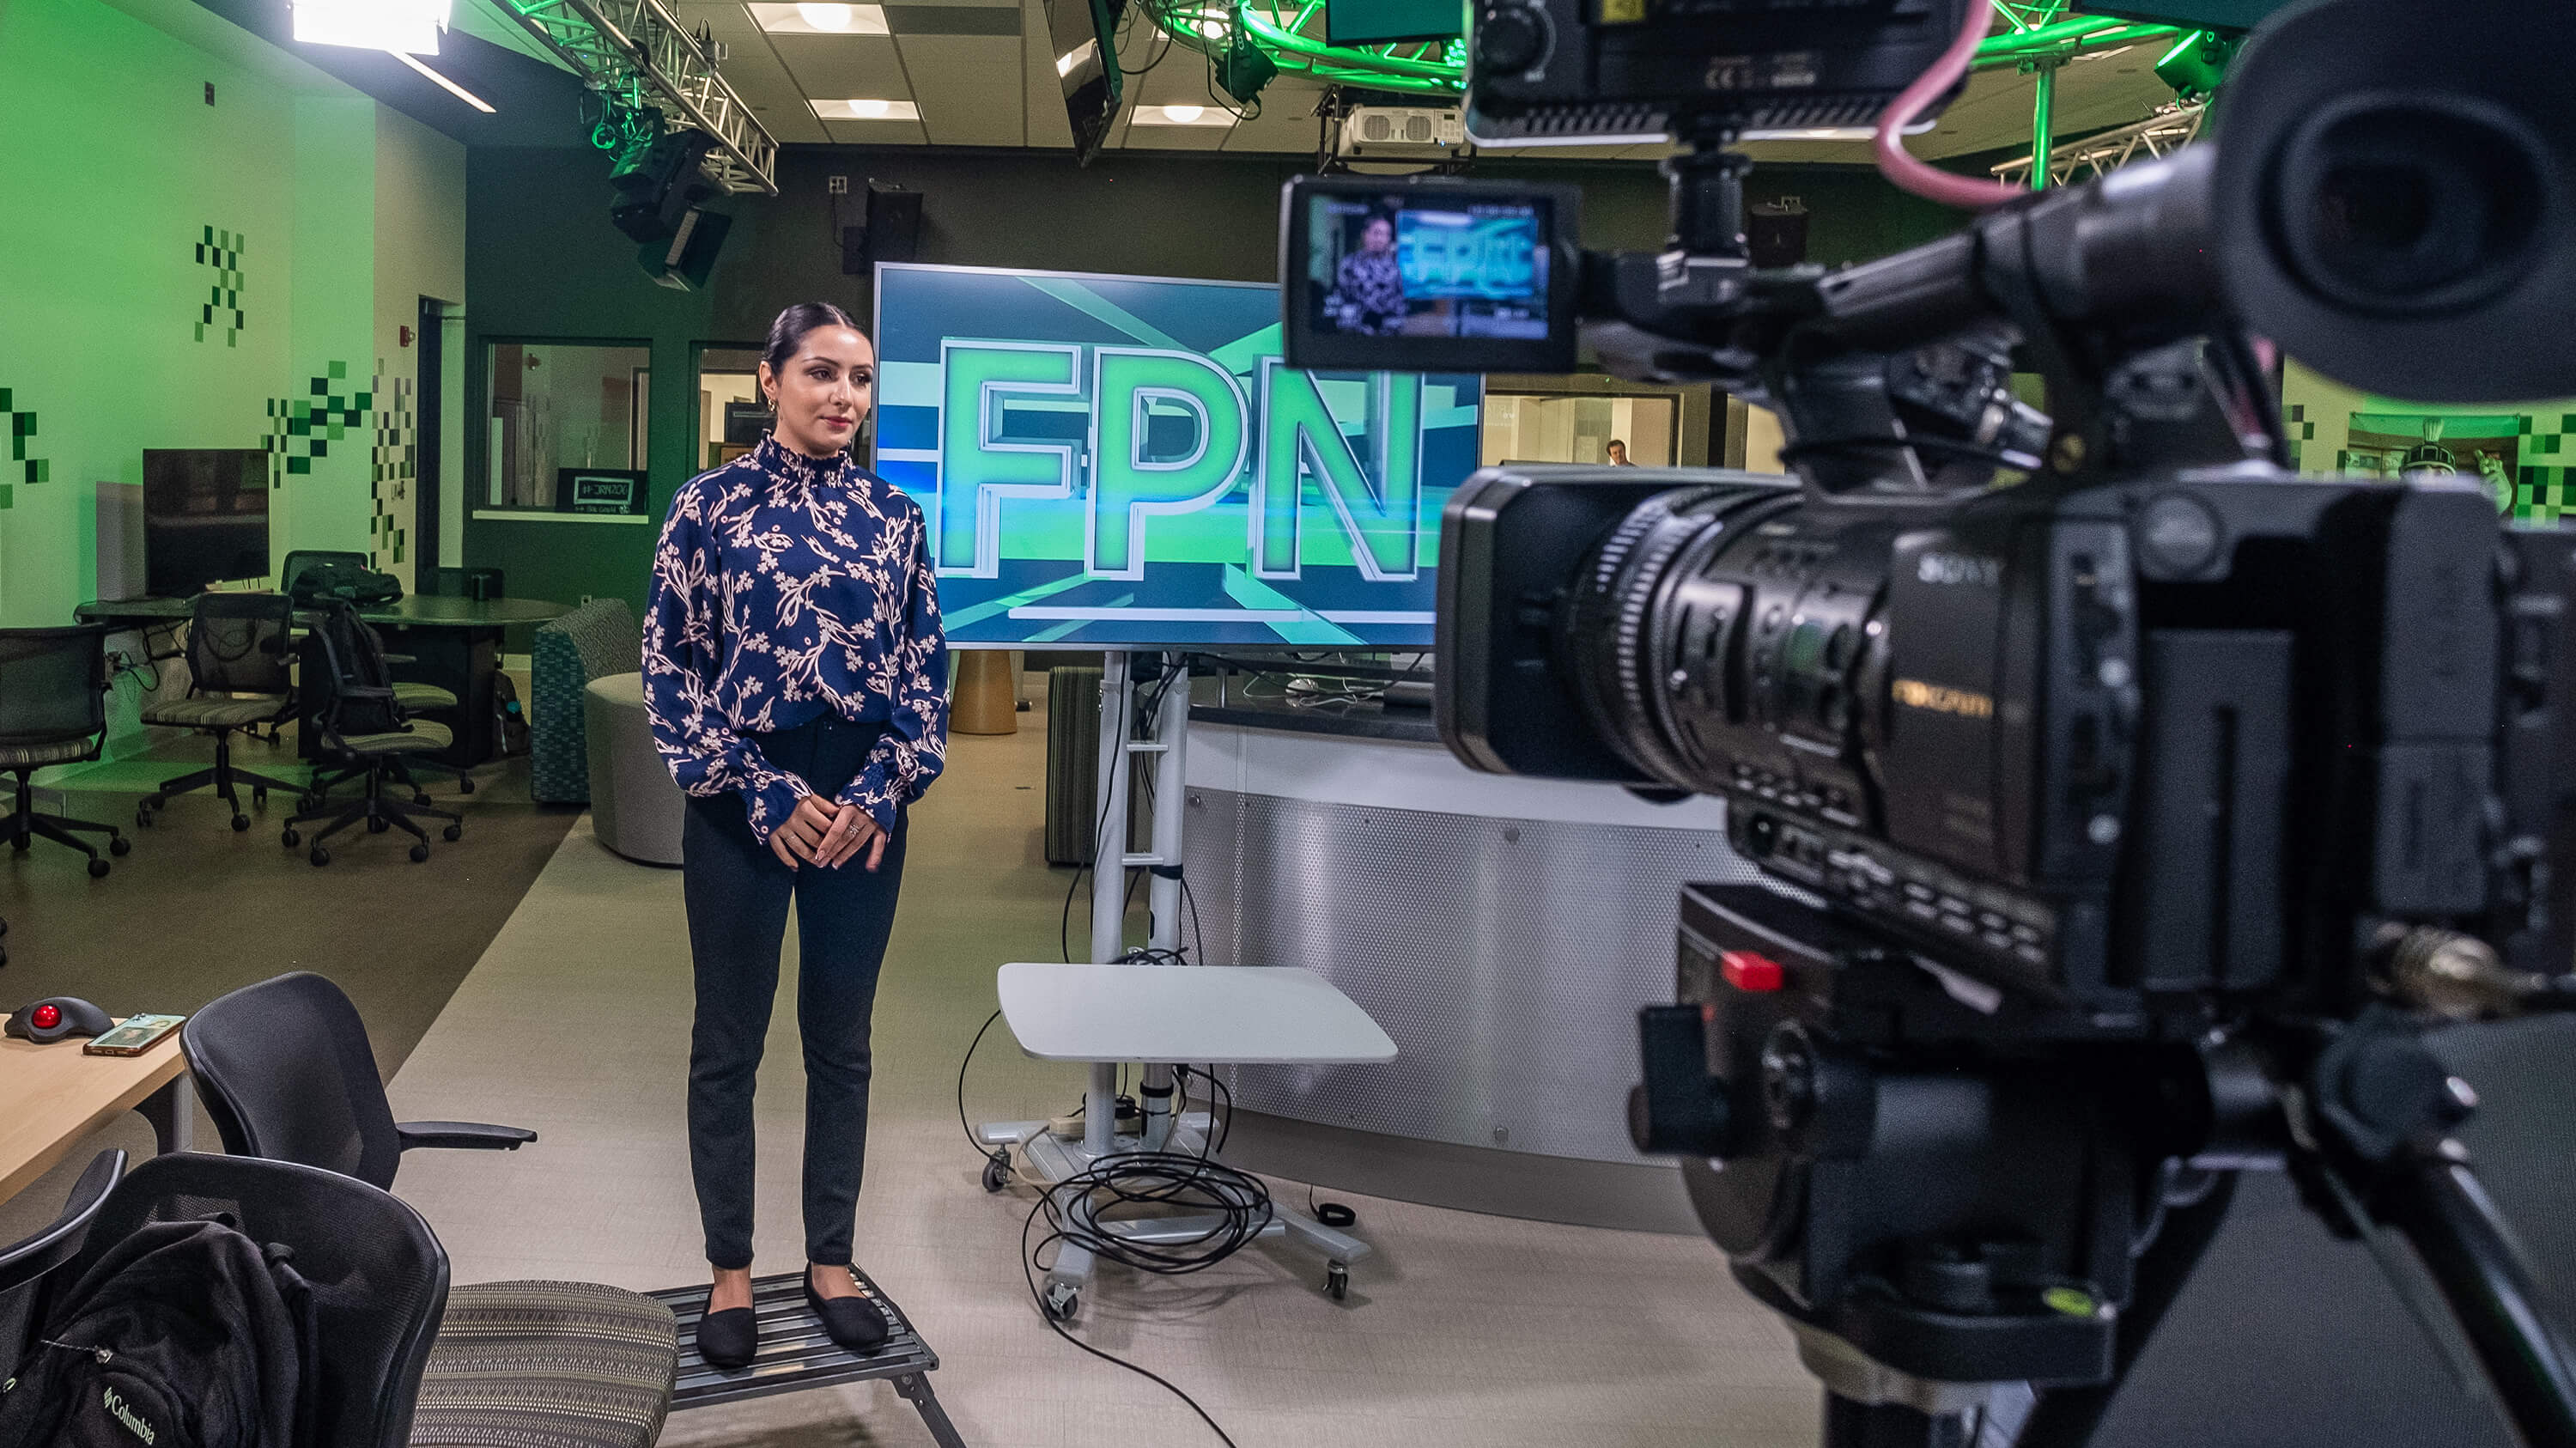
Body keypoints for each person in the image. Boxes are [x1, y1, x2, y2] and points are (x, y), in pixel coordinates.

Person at [642, 301, 949, 1369]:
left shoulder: (896, 518)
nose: (845, 399)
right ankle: (731, 1269)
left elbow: (924, 672)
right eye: (822, 374)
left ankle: (830, 1261)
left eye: (861, 380)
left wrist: (882, 788)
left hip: (861, 807)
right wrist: (759, 791)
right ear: (770, 380)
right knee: (727, 1044)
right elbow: (671, 667)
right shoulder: (707, 507)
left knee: (842, 1045)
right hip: (742, 806)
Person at [1333, 212, 1406, 335]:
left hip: (1388, 335)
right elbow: (1342, 298)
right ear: (1365, 235)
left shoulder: (1396, 267)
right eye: (1376, 233)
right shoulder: (1349, 263)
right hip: (1354, 333)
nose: (1381, 239)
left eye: (1386, 235)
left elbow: (1400, 303)